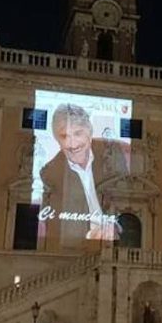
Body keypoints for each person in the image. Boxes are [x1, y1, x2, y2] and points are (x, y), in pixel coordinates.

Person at [39, 103, 128, 246]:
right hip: (77, 252)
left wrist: (116, 225)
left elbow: (128, 199)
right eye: (64, 136)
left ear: (90, 133)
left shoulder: (112, 154)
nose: (72, 144)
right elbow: (51, 223)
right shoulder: (49, 172)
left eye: (78, 133)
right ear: (57, 140)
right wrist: (89, 235)